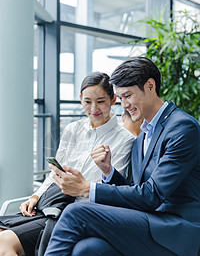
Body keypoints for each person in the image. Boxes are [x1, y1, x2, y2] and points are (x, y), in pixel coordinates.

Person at [43, 57, 200, 256]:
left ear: (150, 86)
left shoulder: (181, 128)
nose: (124, 105)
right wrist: (108, 172)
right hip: (150, 221)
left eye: (128, 96)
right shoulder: (142, 137)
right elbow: (135, 189)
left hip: (176, 228)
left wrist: (87, 189)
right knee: (87, 249)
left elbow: (152, 195)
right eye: (120, 97)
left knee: (76, 213)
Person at [0, 72, 134, 256]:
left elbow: (109, 188)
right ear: (80, 99)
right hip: (49, 204)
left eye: (101, 101)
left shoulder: (125, 140)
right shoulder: (73, 129)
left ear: (112, 100)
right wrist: (35, 197)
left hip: (72, 212)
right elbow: (55, 172)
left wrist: (80, 185)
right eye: (87, 102)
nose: (94, 108)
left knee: (4, 241)